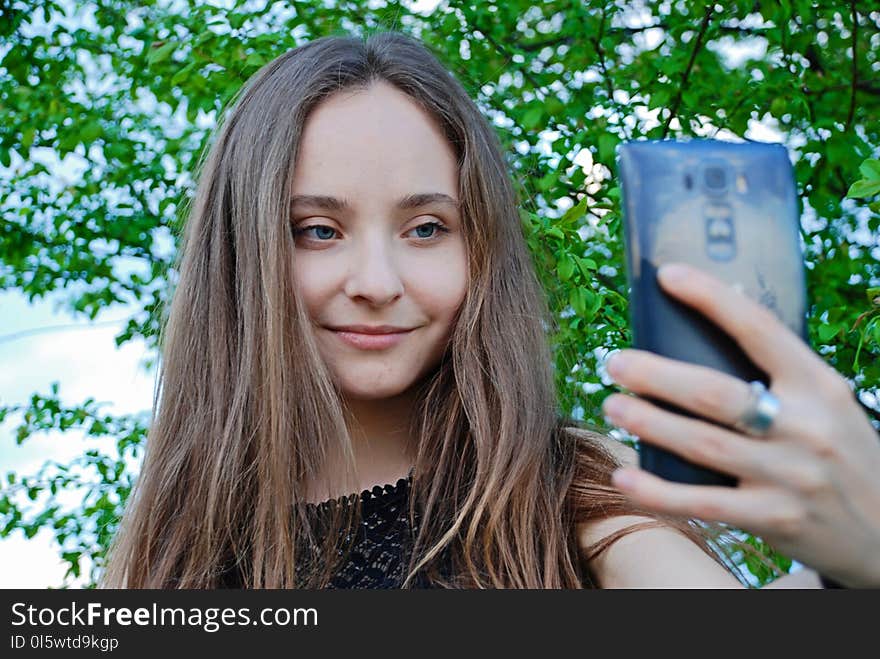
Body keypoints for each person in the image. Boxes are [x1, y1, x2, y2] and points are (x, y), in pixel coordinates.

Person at [101, 31, 880, 589]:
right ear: (244, 255)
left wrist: (858, 561)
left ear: (480, 249)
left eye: (426, 228)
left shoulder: (575, 489)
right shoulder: (167, 546)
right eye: (318, 230)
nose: (377, 280)